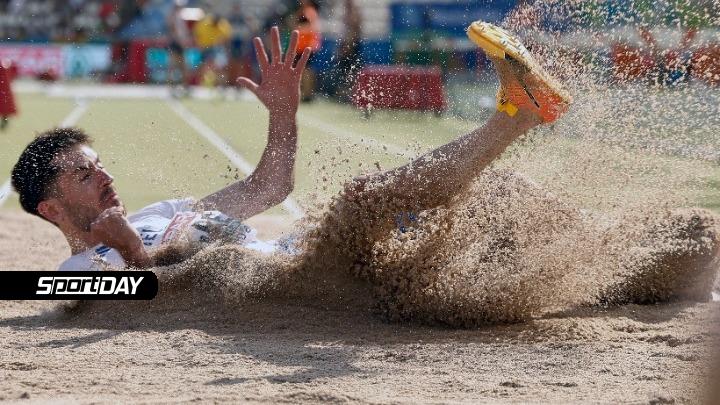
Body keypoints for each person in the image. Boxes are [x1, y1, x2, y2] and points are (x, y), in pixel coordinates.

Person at [10, 23, 718, 302]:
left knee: (497, 197)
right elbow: (111, 295)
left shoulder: (162, 212)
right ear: (50, 207)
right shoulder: (75, 271)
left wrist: (283, 114)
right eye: (84, 174)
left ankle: (620, 261)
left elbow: (270, 185)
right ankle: (517, 115)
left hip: (310, 254)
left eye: (99, 164)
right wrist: (133, 254)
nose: (106, 177)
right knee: (362, 200)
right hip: (299, 287)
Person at [193, 13, 233, 88]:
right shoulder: (204, 23)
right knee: (204, 66)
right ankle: (202, 84)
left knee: (219, 67)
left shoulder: (222, 25)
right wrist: (198, 45)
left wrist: (225, 47)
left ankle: (220, 84)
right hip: (205, 48)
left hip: (216, 48)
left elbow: (227, 38)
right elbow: (196, 34)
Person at [166, 0, 193, 94]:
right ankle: (173, 87)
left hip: (178, 43)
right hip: (176, 43)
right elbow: (174, 32)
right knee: (175, 66)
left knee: (180, 67)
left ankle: (182, 86)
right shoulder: (174, 16)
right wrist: (181, 42)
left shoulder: (178, 16)